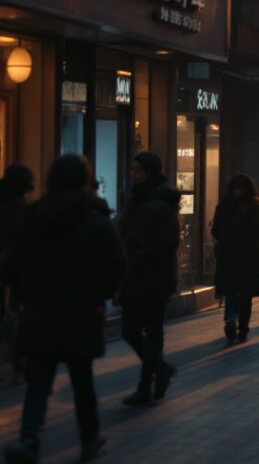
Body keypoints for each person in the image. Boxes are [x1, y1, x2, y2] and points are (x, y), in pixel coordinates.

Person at [2, 156, 124, 463]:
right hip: (81, 313)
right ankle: (89, 438)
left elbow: (12, 266)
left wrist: (23, 293)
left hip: (40, 311)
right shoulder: (95, 221)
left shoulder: (33, 218)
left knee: (38, 381)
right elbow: (116, 265)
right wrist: (100, 294)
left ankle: (30, 439)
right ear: (83, 181)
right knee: (82, 380)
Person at [118, 151, 181, 407]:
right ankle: (160, 369)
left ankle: (146, 385)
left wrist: (139, 255)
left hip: (154, 277)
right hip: (135, 276)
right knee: (130, 330)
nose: (133, 175)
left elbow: (169, 241)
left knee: (152, 332)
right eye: (132, 170)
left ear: (150, 173)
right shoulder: (136, 199)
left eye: (138, 171)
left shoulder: (160, 202)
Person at [211, 174, 259, 344]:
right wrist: (253, 243)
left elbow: (215, 230)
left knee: (236, 291)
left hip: (234, 254)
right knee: (242, 292)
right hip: (244, 255)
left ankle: (235, 322)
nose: (238, 191)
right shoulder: (253, 206)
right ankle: (238, 325)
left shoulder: (225, 206)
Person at [0, 163, 34, 384]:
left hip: (9, 265)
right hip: (15, 268)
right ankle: (19, 365)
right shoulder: (21, 209)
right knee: (15, 316)